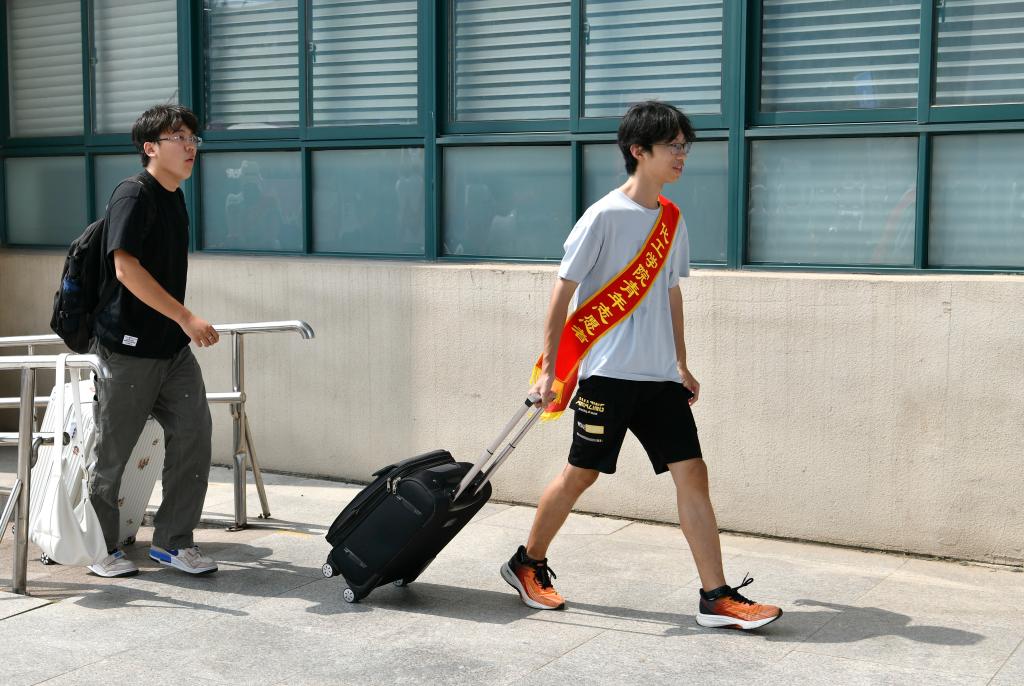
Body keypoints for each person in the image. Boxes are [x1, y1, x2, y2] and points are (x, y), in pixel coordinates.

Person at [501, 101, 782, 630]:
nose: (682, 155)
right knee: (580, 474)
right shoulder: (604, 216)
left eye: (684, 146)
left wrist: (681, 363)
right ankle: (527, 563)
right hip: (607, 376)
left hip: (659, 378)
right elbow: (562, 293)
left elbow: (671, 291)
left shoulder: (672, 219)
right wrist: (550, 371)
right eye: (672, 146)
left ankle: (716, 596)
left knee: (692, 473)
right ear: (639, 150)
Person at [86, 104, 220, 578]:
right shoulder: (133, 194)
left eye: (193, 139)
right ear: (150, 147)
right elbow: (126, 269)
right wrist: (186, 317)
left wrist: (178, 326)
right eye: (178, 137)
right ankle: (100, 547)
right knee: (113, 452)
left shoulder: (175, 198)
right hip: (126, 351)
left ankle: (173, 542)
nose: (190, 147)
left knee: (194, 437)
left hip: (171, 350)